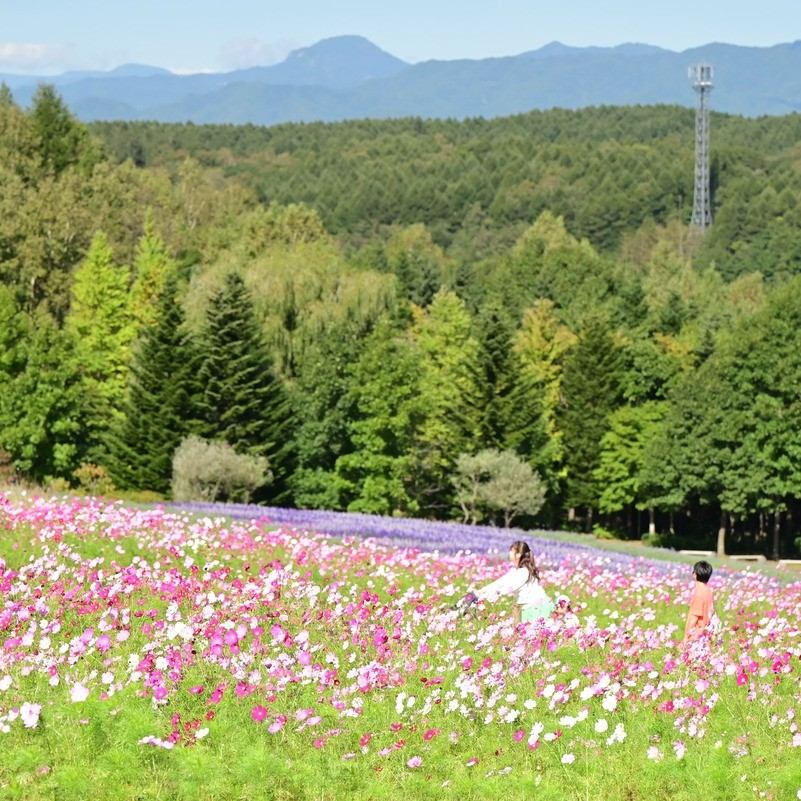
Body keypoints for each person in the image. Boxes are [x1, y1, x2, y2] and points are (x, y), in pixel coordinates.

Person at [461, 541, 554, 623]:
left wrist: (482, 596)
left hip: (538, 608)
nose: (509, 553)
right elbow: (499, 583)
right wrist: (479, 592)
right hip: (530, 608)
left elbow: (507, 588)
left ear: (518, 554)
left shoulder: (524, 572)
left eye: (512, 551)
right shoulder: (516, 571)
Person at [682, 560, 719, 643]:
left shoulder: (699, 593)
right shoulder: (708, 591)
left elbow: (694, 618)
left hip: (697, 636)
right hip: (706, 635)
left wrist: (686, 638)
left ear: (695, 574)